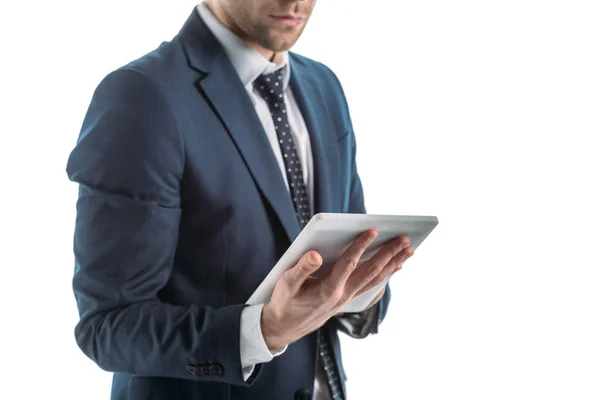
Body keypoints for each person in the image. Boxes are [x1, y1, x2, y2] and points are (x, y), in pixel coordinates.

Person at [66, 1, 414, 399]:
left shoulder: (324, 87)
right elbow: (108, 327)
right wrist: (262, 330)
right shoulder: (142, 97)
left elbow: (342, 255)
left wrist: (360, 291)